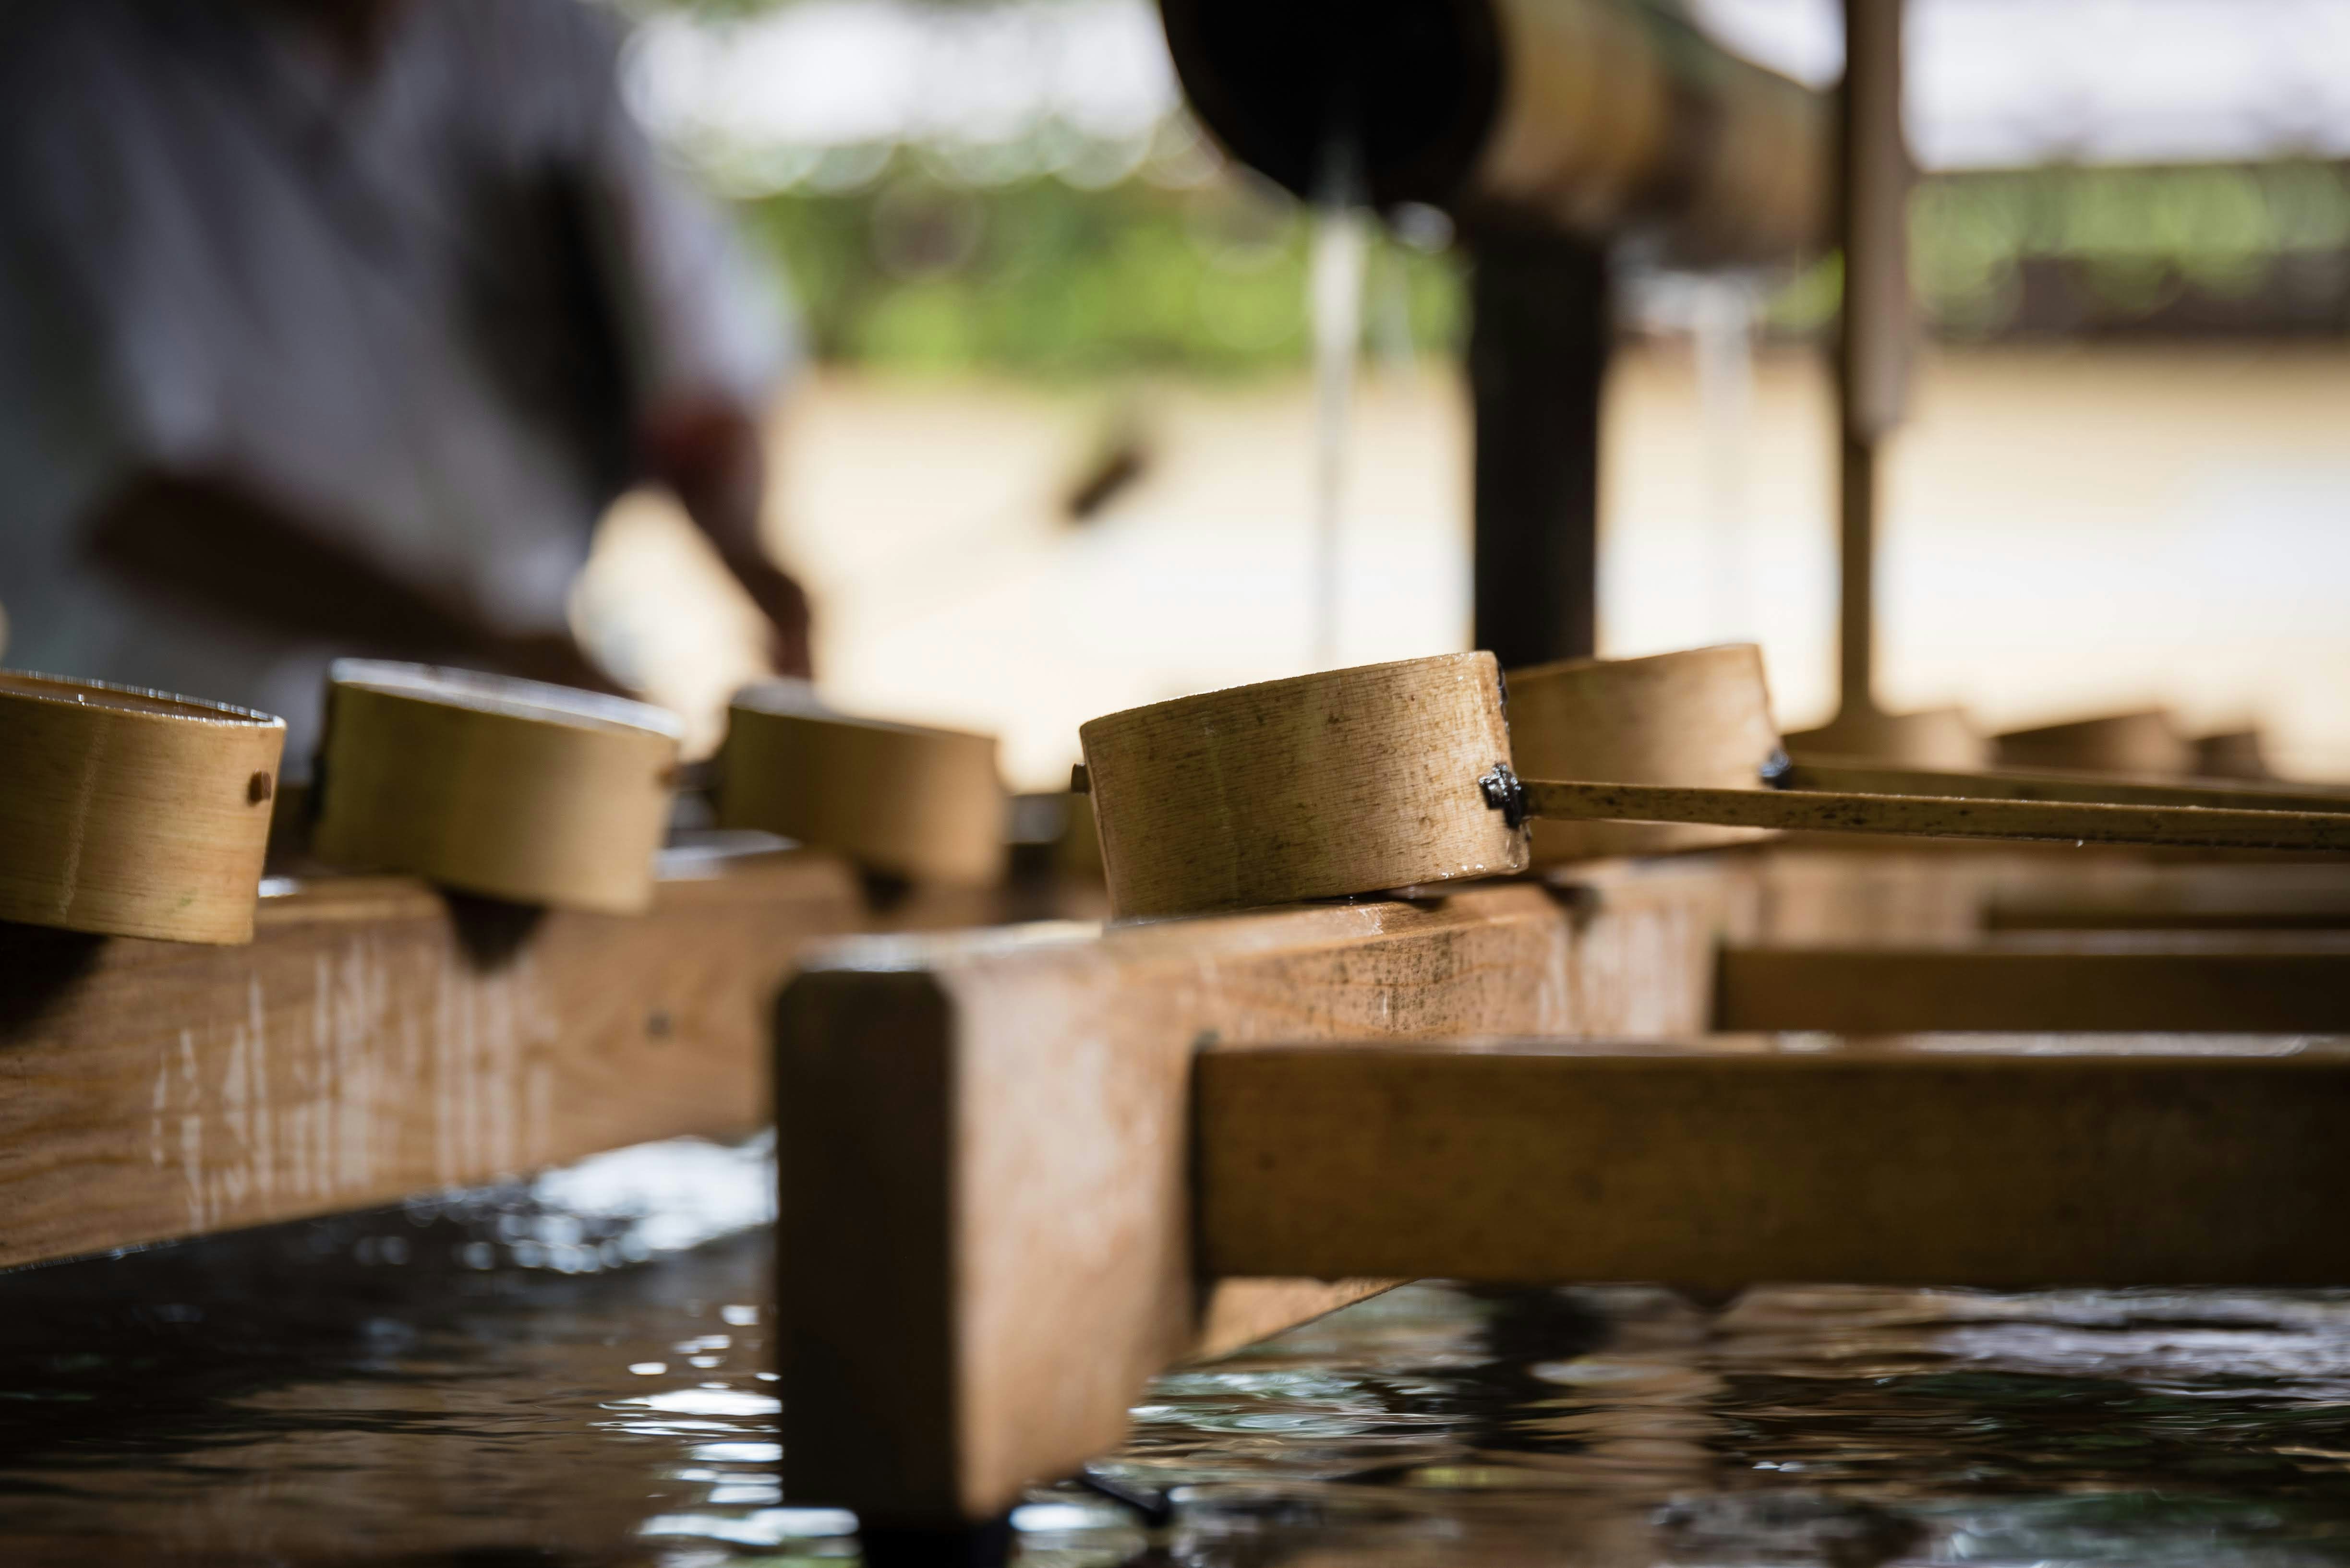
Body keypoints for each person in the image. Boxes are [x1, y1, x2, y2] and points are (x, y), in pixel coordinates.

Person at [0, 0, 811, 759]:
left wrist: (747, 552)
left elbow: (693, 378)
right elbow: (121, 498)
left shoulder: (547, 39)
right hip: (156, 766)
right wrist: (476, 646)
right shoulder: (59, 55)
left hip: (505, 749)